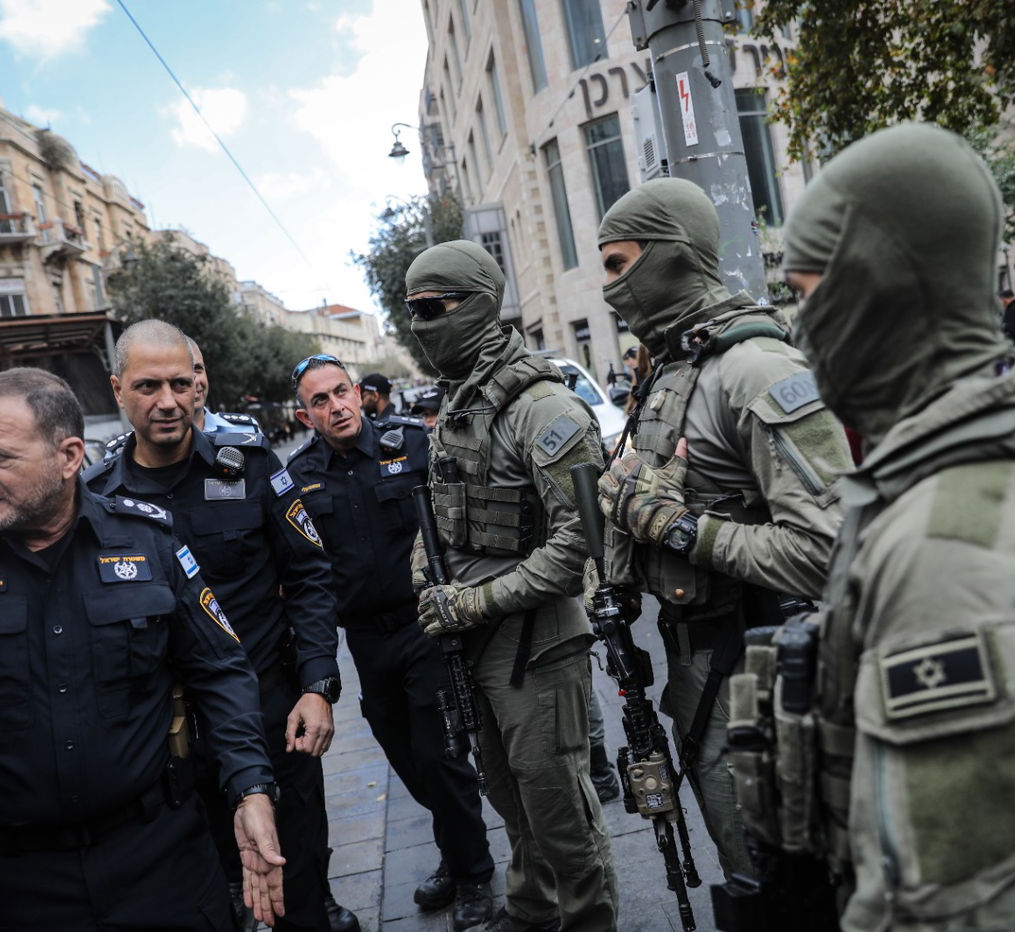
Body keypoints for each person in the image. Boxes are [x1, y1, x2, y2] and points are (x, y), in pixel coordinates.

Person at [773, 122, 1015, 929]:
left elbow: (946, 908)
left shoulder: (947, 550)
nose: (798, 329)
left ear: (877, 287)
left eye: (806, 297)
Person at [0, 367, 287, 932]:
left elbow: (221, 671)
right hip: (11, 887)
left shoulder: (149, 542)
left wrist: (250, 788)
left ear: (68, 456)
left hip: (163, 865)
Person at [592, 177, 851, 884]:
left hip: (762, 681)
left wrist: (680, 529)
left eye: (620, 264)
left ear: (672, 254)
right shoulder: (671, 366)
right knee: (743, 874)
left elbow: (830, 553)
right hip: (697, 671)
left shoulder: (754, 368)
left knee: (779, 885)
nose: (610, 287)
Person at [85, 321, 350, 932]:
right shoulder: (95, 500)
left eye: (181, 382)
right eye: (149, 386)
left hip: (273, 720)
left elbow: (309, 574)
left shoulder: (250, 466)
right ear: (118, 389)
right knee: (204, 902)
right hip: (162, 753)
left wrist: (316, 684)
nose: (169, 401)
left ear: (198, 384)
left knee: (298, 887)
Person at [405, 240, 618, 932]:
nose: (421, 326)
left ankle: (588, 920)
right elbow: (441, 518)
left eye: (433, 309)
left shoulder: (545, 408)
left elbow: (581, 545)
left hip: (539, 641)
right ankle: (533, 910)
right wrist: (425, 577)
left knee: (558, 805)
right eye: (412, 313)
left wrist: (473, 601)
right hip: (477, 639)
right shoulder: (463, 405)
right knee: (508, 795)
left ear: (480, 304)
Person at [287, 357, 495, 930]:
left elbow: (458, 519)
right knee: (408, 761)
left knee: (440, 755)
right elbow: (308, 574)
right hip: (365, 645)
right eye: (320, 402)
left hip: (424, 629)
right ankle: (456, 853)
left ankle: (475, 874)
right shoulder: (299, 475)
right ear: (306, 414)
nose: (336, 407)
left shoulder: (411, 444)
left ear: (358, 393)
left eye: (341, 393)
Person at [186, 336, 263, 435]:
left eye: (198, 368)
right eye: (181, 374)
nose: (194, 381)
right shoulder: (161, 444)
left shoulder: (247, 431)